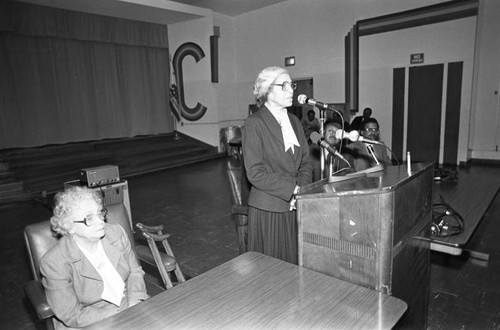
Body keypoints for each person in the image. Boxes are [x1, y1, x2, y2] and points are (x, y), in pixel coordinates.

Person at [40, 186, 148, 329]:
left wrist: (134, 302)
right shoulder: (53, 262)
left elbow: (135, 271)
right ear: (69, 226)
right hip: (88, 319)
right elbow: (72, 315)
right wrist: (122, 313)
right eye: (89, 218)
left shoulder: (116, 233)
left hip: (129, 302)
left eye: (100, 213)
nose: (101, 222)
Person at [242, 66, 312, 264]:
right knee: (271, 273)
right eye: (285, 86)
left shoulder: (295, 121)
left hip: (295, 205)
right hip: (269, 208)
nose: (292, 90)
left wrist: (300, 192)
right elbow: (255, 173)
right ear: (267, 90)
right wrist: (292, 189)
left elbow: (306, 162)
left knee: (293, 265)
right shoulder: (254, 123)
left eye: (292, 85)